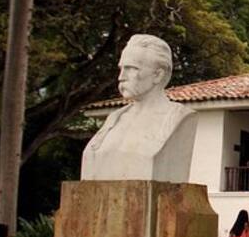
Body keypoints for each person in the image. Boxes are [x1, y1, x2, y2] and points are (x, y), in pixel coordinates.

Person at [82, 34, 196, 182]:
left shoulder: (178, 117)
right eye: (121, 68)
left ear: (158, 75)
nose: (121, 77)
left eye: (131, 68)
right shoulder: (115, 118)